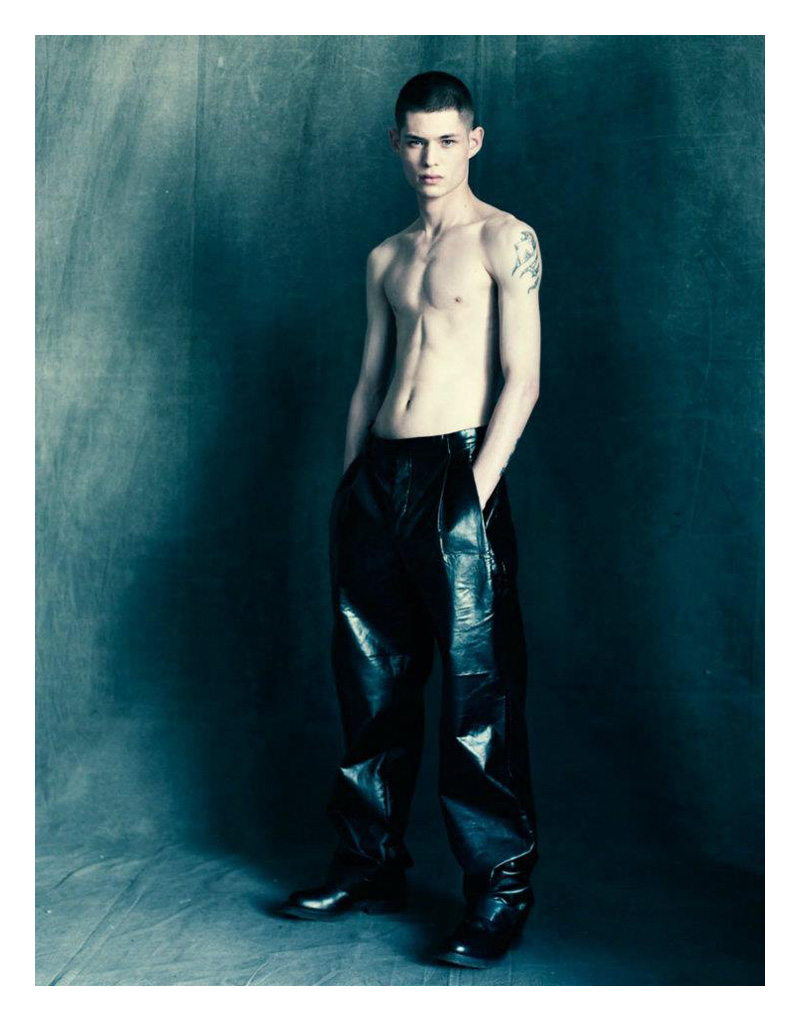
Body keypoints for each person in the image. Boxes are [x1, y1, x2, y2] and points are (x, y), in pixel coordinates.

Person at [280, 70, 542, 970]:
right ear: (396, 144)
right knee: (371, 685)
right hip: (378, 478)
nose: (430, 157)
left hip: (457, 473)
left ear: (474, 141)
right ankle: (369, 865)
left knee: (477, 693)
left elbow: (523, 379)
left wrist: (474, 492)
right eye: (415, 141)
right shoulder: (385, 257)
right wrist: (349, 486)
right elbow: (369, 378)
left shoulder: (505, 238)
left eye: (447, 140)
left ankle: (499, 891)